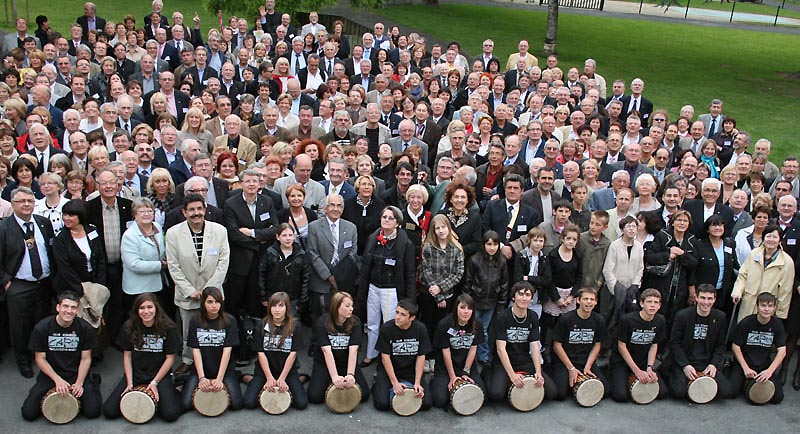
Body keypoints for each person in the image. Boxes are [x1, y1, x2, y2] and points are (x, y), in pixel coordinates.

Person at [165, 194, 230, 376]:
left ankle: (215, 361)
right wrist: (189, 290)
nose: (196, 213)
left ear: (205, 210)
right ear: (184, 212)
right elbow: (173, 265)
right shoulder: (173, 234)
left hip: (214, 294)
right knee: (188, 330)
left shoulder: (219, 231)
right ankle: (188, 360)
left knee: (214, 330)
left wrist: (210, 291)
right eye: (191, 210)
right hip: (188, 293)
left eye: (199, 209)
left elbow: (223, 262)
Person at [1, 186, 55, 378]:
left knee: (42, 322)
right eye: (21, 201)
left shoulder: (43, 223)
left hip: (44, 283)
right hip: (19, 285)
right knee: (20, 326)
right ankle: (23, 360)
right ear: (13, 204)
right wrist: (7, 282)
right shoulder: (3, 227)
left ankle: (41, 357)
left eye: (30, 201)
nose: (26, 205)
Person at [102, 293, 183, 421]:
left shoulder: (169, 327)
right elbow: (127, 356)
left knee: (170, 414)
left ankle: (175, 391)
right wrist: (129, 383)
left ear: (156, 308)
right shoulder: (129, 326)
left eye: (149, 307)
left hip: (159, 376)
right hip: (136, 374)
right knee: (109, 411)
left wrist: (154, 382)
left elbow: (170, 359)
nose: (146, 311)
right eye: (141, 308)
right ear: (136, 310)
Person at [21, 291, 101, 421]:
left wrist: (79, 383)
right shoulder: (42, 328)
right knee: (28, 414)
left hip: (76, 373)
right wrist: (57, 380)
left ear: (77, 310)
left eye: (73, 307)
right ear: (58, 307)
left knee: (93, 411)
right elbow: (40, 359)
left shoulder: (85, 329)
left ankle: (94, 382)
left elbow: (86, 358)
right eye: (65, 306)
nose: (69, 311)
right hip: (51, 374)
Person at [358, 206, 416, 367]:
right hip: (373, 287)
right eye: (384, 217)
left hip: (391, 289)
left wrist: (410, 298)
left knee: (389, 324)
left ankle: (388, 358)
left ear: (397, 223)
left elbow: (410, 272)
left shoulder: (405, 243)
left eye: (391, 218)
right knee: (372, 323)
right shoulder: (373, 238)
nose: (386, 220)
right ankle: (371, 354)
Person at [483, 281, 557, 402]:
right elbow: (500, 349)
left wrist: (538, 372)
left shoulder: (533, 316)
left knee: (552, 392)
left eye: (527, 295)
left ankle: (517, 378)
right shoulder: (503, 316)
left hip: (524, 360)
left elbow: (534, 346)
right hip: (504, 361)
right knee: (496, 394)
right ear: (513, 297)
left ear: (531, 298)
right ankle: (488, 373)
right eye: (520, 294)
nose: (524, 298)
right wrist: (512, 375)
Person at [661, 284, 735, 401]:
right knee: (678, 392)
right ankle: (671, 375)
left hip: (706, 362)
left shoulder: (720, 317)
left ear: (714, 299)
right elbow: (674, 343)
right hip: (686, 361)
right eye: (703, 298)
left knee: (727, 392)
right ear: (696, 298)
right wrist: (685, 365)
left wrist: (713, 364)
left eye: (710, 298)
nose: (706, 302)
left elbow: (720, 345)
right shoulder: (682, 315)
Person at [180, 286, 243, 412]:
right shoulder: (195, 321)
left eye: (217, 302)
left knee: (237, 404)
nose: (214, 306)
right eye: (210, 302)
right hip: (201, 369)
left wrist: (219, 379)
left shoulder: (229, 321)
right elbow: (195, 351)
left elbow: (227, 351)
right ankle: (183, 383)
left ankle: (239, 376)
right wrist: (202, 378)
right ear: (203, 303)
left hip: (224, 370)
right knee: (185, 404)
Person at [243, 292, 308, 410]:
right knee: (249, 403)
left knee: (301, 404)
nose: (277, 310)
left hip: (287, 371)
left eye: (281, 306)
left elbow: (292, 355)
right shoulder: (261, 325)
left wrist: (282, 378)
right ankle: (248, 378)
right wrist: (269, 378)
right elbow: (261, 353)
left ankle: (300, 378)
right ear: (269, 307)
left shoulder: (295, 326)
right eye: (274, 306)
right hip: (264, 370)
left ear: (287, 307)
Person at [419, 215, 465, 371]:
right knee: (427, 325)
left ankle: (439, 356)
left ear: (449, 228)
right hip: (428, 294)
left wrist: (441, 290)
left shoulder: (457, 248)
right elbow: (426, 272)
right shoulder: (428, 247)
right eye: (437, 228)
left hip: (447, 295)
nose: (441, 231)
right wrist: (437, 296)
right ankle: (427, 356)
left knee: (442, 326)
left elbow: (458, 274)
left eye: (443, 227)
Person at [307, 291, 370, 405]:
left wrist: (350, 374)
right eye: (347, 306)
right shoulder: (322, 322)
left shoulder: (355, 322)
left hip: (346, 362)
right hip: (324, 363)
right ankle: (326, 379)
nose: (351, 309)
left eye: (352, 305)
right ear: (336, 306)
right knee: (314, 397)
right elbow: (327, 351)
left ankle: (340, 378)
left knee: (364, 395)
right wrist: (335, 376)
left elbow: (353, 350)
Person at [372, 299, 433, 412]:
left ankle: (407, 384)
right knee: (382, 404)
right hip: (390, 370)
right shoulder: (387, 328)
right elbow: (385, 357)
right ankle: (378, 384)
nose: (397, 317)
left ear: (412, 318)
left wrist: (417, 382)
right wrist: (394, 383)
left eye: (403, 314)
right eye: (397, 312)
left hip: (410, 370)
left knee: (426, 404)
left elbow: (421, 356)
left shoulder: (420, 329)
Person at [550, 287, 610, 401]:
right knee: (560, 394)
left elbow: (597, 344)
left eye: (592, 299)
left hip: (585, 361)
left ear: (596, 302)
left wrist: (588, 366)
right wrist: (571, 368)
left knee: (605, 390)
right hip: (566, 361)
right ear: (578, 300)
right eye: (585, 299)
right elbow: (556, 345)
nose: (589, 302)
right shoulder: (566, 319)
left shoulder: (599, 320)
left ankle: (576, 384)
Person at [609, 288, 668, 402]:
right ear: (641, 303)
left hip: (643, 362)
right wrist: (636, 371)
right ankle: (614, 375)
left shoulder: (660, 320)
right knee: (620, 396)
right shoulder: (627, 320)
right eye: (649, 302)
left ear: (659, 306)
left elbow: (654, 345)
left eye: (656, 302)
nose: (652, 305)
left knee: (662, 393)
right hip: (623, 362)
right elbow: (621, 346)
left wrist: (650, 367)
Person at [430, 294, 487, 408]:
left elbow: (473, 349)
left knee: (482, 398)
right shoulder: (444, 324)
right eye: (462, 307)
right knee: (440, 400)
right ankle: (434, 381)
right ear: (456, 308)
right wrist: (453, 377)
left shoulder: (477, 324)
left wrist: (465, 372)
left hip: (467, 366)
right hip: (445, 368)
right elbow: (445, 352)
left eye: (469, 308)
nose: (466, 311)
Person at [643, 209, 697, 329]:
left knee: (675, 315)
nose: (682, 223)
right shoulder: (662, 235)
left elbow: (693, 263)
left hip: (680, 285)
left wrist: (681, 254)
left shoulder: (691, 240)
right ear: (672, 222)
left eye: (685, 221)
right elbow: (650, 257)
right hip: (661, 282)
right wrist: (668, 255)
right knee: (659, 312)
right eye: (679, 220)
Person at [730, 292, 786, 404]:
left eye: (770, 306)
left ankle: (749, 383)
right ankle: (731, 370)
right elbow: (735, 346)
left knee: (777, 398)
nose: (766, 309)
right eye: (763, 305)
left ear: (774, 308)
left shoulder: (777, 324)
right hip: (744, 364)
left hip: (763, 365)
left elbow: (782, 351)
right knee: (731, 392)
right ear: (757, 306)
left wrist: (770, 371)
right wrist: (745, 368)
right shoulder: (747, 322)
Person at [307, 194, 358, 318]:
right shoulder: (314, 227)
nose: (336, 209)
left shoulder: (351, 227)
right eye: (332, 205)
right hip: (321, 281)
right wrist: (329, 276)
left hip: (343, 282)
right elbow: (313, 253)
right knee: (320, 319)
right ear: (325, 208)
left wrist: (340, 274)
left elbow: (352, 252)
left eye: (339, 206)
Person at [731, 224, 795, 324]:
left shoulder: (786, 262)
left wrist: (780, 313)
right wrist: (737, 292)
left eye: (775, 237)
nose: (771, 240)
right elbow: (743, 275)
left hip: (768, 307)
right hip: (749, 302)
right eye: (768, 236)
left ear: (780, 240)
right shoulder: (754, 254)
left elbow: (785, 290)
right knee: (743, 331)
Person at [464, 230, 508, 365]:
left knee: (483, 329)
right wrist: (467, 300)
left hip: (491, 302)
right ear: (483, 245)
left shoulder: (502, 262)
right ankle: (469, 355)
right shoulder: (474, 260)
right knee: (472, 328)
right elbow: (468, 281)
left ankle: (483, 356)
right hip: (475, 301)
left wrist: (501, 303)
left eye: (495, 244)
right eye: (489, 244)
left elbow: (504, 283)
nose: (492, 248)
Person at [601, 215, 644, 346]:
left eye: (634, 226)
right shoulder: (615, 245)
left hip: (631, 290)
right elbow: (608, 270)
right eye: (628, 226)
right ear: (622, 229)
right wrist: (616, 288)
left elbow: (641, 268)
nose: (631, 229)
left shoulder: (639, 246)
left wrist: (635, 285)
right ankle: (606, 348)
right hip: (614, 290)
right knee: (610, 320)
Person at [121, 197, 167, 316]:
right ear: (135, 215)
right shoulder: (130, 236)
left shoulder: (157, 227)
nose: (146, 214)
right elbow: (134, 264)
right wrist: (161, 265)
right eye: (142, 211)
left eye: (150, 211)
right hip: (138, 289)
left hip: (158, 286)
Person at [52, 200, 107, 297]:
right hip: (71, 288)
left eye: (71, 215)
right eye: (65, 214)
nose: (66, 218)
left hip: (94, 285)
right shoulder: (60, 238)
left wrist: (99, 284)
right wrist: (80, 289)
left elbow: (100, 258)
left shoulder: (92, 231)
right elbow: (64, 268)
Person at [691, 215, 739, 320]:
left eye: (721, 225)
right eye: (714, 225)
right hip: (703, 291)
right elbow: (693, 269)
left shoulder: (729, 243)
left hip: (723, 292)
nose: (718, 228)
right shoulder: (699, 244)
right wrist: (692, 291)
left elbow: (735, 265)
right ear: (707, 229)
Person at [257, 223, 309, 315]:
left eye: (290, 235)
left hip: (293, 298)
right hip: (273, 297)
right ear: (278, 237)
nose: (288, 238)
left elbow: (306, 279)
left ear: (294, 236)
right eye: (284, 235)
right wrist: (263, 296)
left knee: (291, 325)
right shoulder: (270, 252)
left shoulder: (301, 254)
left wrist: (302, 301)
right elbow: (262, 275)